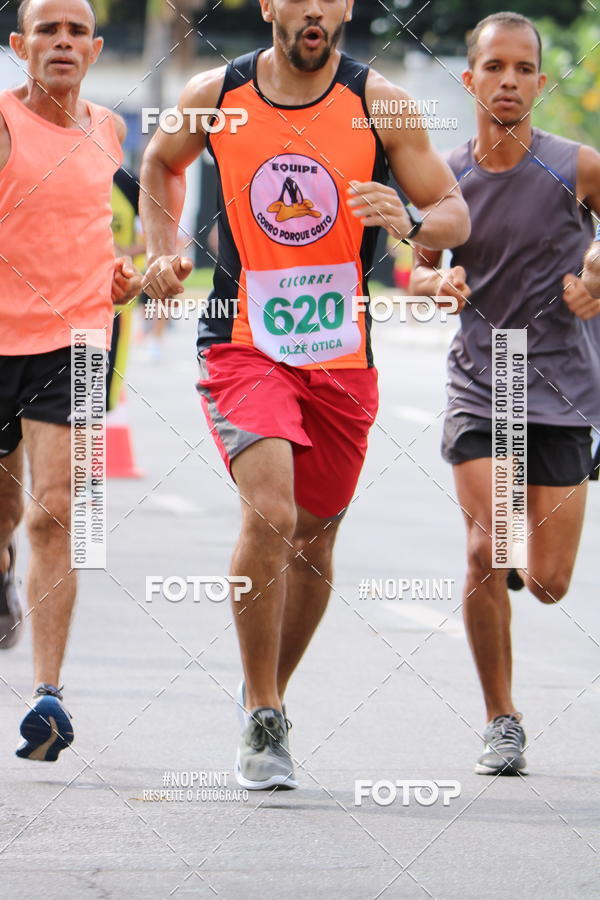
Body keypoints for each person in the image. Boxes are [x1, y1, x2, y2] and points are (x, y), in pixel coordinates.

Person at [141, 0, 469, 790]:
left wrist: (414, 216)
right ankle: (261, 707)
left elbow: (454, 213)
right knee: (273, 513)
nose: (314, 9)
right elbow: (158, 163)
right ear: (270, 8)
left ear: (347, 8)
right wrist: (162, 250)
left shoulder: (378, 104)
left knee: (316, 539)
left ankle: (271, 699)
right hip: (241, 338)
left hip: (341, 351)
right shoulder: (217, 95)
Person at [410, 11, 600, 776]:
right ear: (471, 77)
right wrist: (437, 281)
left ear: (541, 81)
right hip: (483, 383)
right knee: (490, 547)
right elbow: (419, 263)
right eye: (495, 67)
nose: (510, 81)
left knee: (548, 583)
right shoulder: (444, 174)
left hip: (562, 386)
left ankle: (525, 553)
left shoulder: (579, 167)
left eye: (524, 68)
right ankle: (502, 719)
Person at [0, 0, 140, 760]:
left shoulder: (109, 129)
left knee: (61, 513)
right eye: (46, 30)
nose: (61, 41)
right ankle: (1, 570)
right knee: (3, 517)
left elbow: (89, 225)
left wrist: (120, 275)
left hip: (79, 343)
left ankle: (47, 696)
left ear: (95, 48)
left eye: (75, 30)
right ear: (20, 46)